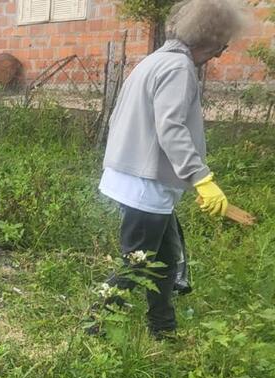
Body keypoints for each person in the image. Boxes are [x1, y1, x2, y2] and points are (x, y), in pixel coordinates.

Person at [92, 0, 246, 338]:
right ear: (208, 37)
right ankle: (94, 324)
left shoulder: (155, 60)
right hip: (145, 184)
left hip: (136, 178)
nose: (220, 54)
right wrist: (201, 178)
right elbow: (171, 127)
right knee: (137, 262)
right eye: (222, 45)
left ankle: (163, 328)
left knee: (165, 257)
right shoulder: (178, 68)